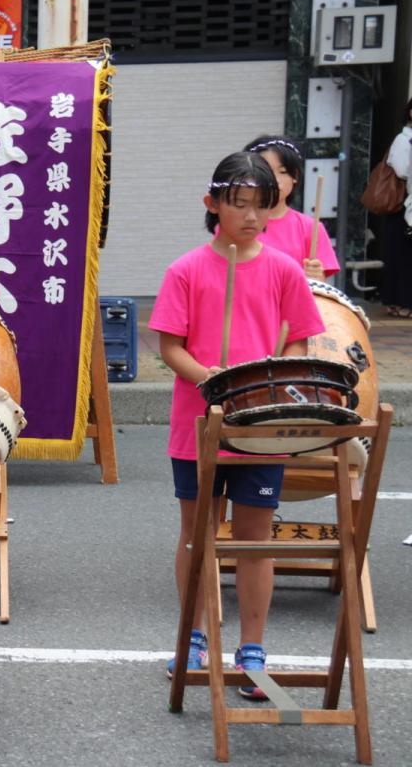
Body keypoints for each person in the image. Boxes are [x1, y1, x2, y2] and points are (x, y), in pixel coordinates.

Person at [148, 152, 323, 698]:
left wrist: (275, 376)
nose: (250, 215)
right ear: (213, 204)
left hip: (262, 426)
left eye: (260, 205)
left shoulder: (284, 268)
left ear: (273, 209)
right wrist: (208, 377)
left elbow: (300, 336)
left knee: (254, 538)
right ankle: (194, 637)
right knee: (197, 533)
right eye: (238, 203)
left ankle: (253, 646)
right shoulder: (186, 269)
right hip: (198, 423)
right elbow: (169, 345)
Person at [242, 136, 338, 281]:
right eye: (266, 171)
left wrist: (317, 276)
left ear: (295, 176)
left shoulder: (310, 228)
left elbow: (320, 286)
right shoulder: (235, 221)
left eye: (283, 171)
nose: (275, 179)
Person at [379, 97, 412, 318]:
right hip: (401, 204)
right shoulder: (403, 139)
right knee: (401, 255)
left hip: (407, 204)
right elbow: (401, 171)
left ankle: (400, 301)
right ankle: (399, 302)